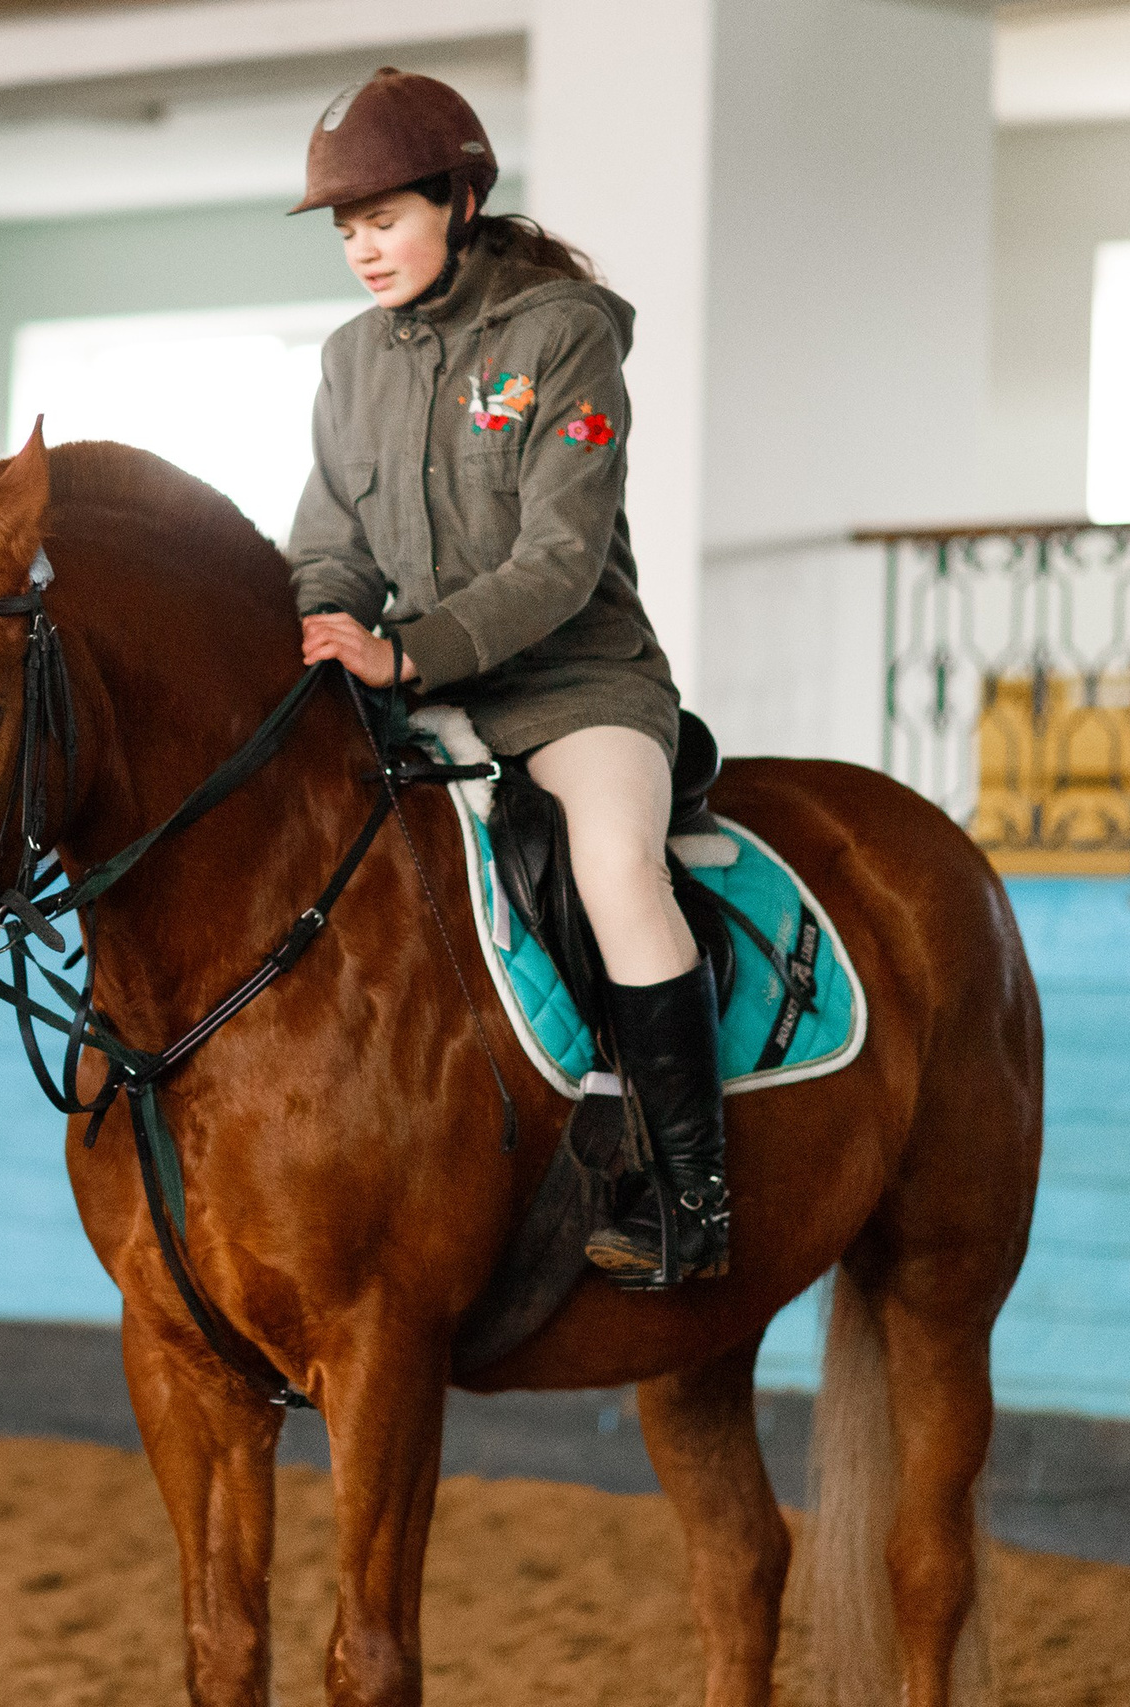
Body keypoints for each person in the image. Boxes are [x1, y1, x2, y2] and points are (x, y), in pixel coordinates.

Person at [283, 69, 728, 1289]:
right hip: (422, 700)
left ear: (459, 200)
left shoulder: (559, 335)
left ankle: (690, 1192)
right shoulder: (348, 361)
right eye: (347, 232)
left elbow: (559, 561)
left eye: (385, 221)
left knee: (615, 870)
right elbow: (329, 538)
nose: (364, 251)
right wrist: (329, 622)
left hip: (579, 689)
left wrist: (408, 651)